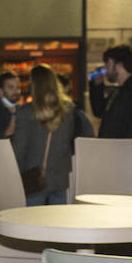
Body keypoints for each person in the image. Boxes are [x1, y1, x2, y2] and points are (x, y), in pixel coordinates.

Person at [13, 64, 91, 206]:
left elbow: (19, 150)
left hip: (34, 180)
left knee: (33, 222)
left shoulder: (25, 113)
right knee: (57, 222)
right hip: (61, 179)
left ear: (34, 86)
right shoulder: (68, 111)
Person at [88, 44, 132, 139]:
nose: (106, 69)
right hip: (115, 149)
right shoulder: (119, 92)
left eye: (108, 64)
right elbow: (99, 111)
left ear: (119, 65)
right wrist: (97, 87)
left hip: (122, 150)